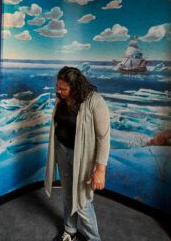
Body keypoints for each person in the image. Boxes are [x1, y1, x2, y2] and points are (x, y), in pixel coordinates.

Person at [45, 67, 111, 241]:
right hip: (62, 151)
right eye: (57, 88)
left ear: (75, 87)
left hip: (83, 158)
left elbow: (103, 138)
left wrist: (100, 170)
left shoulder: (95, 102)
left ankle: (94, 238)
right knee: (67, 193)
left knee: (82, 200)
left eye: (63, 89)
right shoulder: (61, 98)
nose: (58, 92)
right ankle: (70, 230)